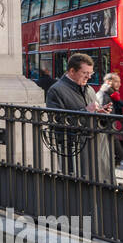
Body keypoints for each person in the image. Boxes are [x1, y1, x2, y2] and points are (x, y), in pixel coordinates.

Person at [46, 51, 113, 181]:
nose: (89, 77)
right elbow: (57, 122)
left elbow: (93, 113)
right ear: (72, 71)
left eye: (91, 73)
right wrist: (85, 111)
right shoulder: (56, 90)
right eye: (85, 73)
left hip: (96, 147)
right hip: (76, 151)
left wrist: (100, 113)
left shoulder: (89, 89)